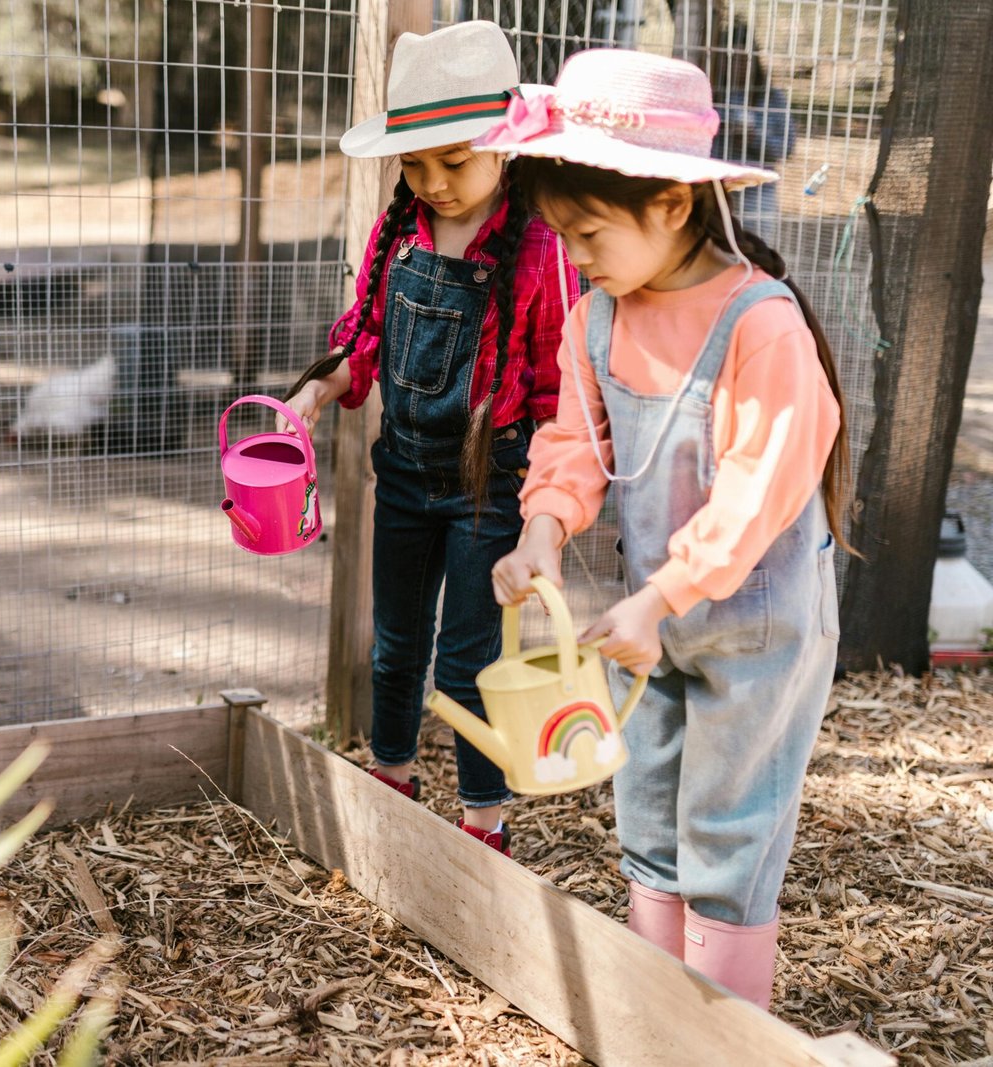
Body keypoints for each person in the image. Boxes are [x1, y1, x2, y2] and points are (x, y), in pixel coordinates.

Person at [478, 49, 849, 1008]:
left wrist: (662, 596)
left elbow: (755, 495)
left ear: (673, 205)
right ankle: (658, 1012)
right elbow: (572, 441)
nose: (578, 257)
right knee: (645, 808)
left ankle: (723, 1032)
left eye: (590, 232)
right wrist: (543, 533)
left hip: (754, 627)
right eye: (564, 236)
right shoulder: (596, 318)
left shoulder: (759, 326)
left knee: (730, 826)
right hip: (651, 621)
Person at [280, 21, 579, 855]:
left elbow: (559, 389)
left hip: (492, 486)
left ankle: (485, 823)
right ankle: (392, 780)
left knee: (469, 663)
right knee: (395, 647)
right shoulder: (400, 230)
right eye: (417, 163)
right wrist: (320, 386)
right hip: (404, 474)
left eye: (455, 161)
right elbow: (365, 338)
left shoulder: (540, 248)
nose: (435, 182)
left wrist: (546, 512)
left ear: (504, 150)